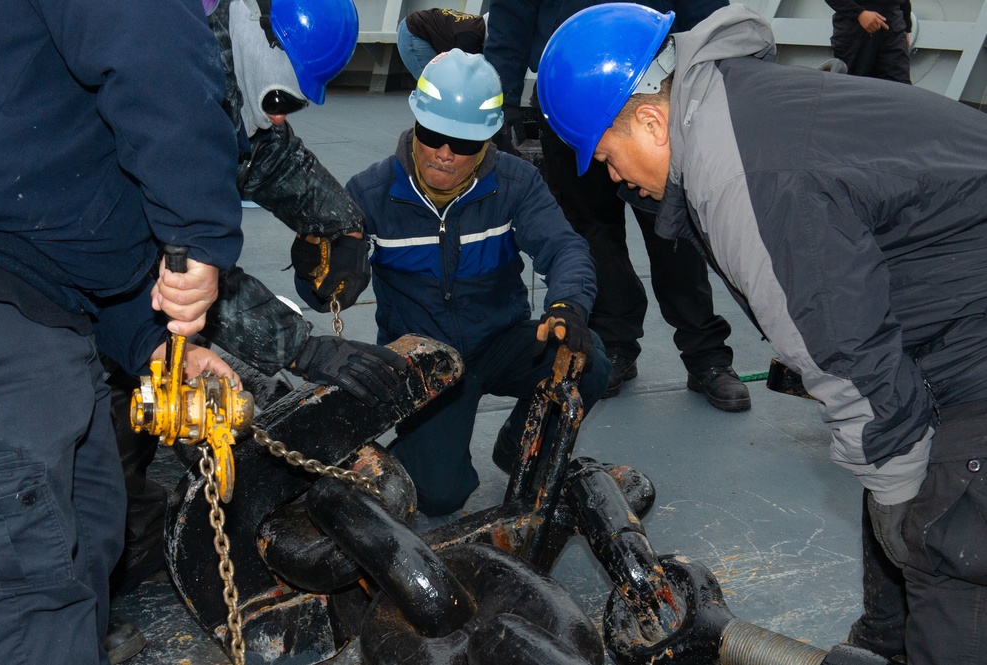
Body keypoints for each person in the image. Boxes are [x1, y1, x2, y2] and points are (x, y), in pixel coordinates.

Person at [536, 4, 987, 663]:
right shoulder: (737, 107)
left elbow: (844, 346)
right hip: (950, 303)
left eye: (606, 155)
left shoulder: (738, 172)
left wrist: (903, 496)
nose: (611, 175)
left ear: (652, 121)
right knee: (895, 469)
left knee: (946, 539)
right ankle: (885, 640)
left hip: (968, 351)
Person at [108, 0, 408, 617]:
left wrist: (340, 226)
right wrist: (303, 346)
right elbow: (173, 271)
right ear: (250, 50)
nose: (278, 117)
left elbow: (265, 151)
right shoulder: (164, 89)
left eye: (291, 104)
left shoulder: (236, 56)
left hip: (138, 256)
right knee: (109, 418)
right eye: (276, 97)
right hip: (77, 276)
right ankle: (119, 544)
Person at [0, 1, 246, 664]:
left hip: (38, 296)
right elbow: (149, 48)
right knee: (28, 587)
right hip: (6, 328)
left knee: (92, 521)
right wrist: (197, 232)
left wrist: (147, 340)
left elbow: (44, 210)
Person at [343, 50, 611, 516]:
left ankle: (519, 446)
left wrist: (568, 303)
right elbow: (326, 291)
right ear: (415, 123)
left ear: (487, 140)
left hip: (501, 342)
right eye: (433, 136)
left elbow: (564, 248)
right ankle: (422, 454)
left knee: (588, 363)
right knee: (439, 496)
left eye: (463, 143)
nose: (445, 153)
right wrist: (319, 267)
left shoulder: (516, 183)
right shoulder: (368, 194)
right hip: (424, 364)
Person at [484, 0, 751, 409]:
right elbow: (510, 20)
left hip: (651, 90)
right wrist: (498, 104)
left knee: (673, 225)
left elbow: (705, 12)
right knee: (589, 230)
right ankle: (615, 341)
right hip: (567, 94)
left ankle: (706, 352)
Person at [824, 1, 911, 83]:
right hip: (854, 31)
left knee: (899, 86)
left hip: (893, 29)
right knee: (853, 86)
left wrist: (907, 27)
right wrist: (859, 14)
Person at [396, 7, 487, 81]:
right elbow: (463, 75)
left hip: (419, 24)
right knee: (432, 86)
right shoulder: (470, 36)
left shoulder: (477, 25)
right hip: (414, 31)